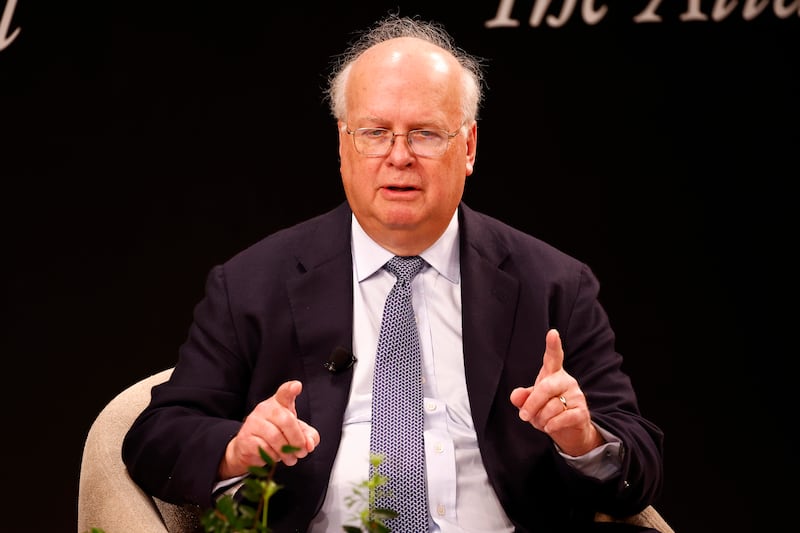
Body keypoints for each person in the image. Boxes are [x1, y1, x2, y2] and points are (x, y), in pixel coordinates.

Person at [122, 13, 664, 533]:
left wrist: (583, 437)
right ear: (343, 146)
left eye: (425, 134)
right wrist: (237, 447)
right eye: (375, 132)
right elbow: (158, 437)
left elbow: (638, 455)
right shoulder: (251, 283)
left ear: (468, 147)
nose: (398, 156)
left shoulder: (554, 284)